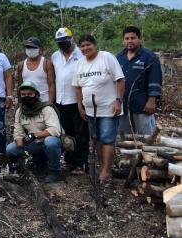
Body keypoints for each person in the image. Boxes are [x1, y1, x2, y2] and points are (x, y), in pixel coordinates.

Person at [72, 34, 125, 183]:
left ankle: (106, 172)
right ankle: (103, 167)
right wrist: (79, 105)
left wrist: (118, 101)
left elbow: (120, 80)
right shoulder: (80, 64)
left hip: (109, 108)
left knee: (107, 138)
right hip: (90, 110)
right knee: (96, 139)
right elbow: (77, 87)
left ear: (95, 45)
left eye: (88, 45)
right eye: (82, 46)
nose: (85, 48)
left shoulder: (106, 57)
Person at [6, 81, 63, 183]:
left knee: (51, 142)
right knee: (11, 149)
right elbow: (18, 131)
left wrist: (35, 135)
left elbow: (55, 129)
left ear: (36, 95)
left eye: (29, 94)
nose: (26, 97)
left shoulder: (46, 108)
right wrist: (21, 148)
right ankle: (37, 162)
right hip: (33, 144)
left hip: (49, 142)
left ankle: (54, 172)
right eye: (23, 94)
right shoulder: (20, 111)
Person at [51, 27, 88, 173]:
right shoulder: (55, 56)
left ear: (71, 39)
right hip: (61, 100)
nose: (62, 44)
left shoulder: (82, 54)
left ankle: (81, 162)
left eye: (64, 40)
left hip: (78, 100)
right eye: (59, 42)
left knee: (81, 133)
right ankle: (69, 160)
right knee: (67, 132)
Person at [116, 26, 162, 136]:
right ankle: (129, 154)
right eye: (127, 38)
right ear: (123, 40)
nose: (129, 41)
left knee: (146, 137)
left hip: (143, 105)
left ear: (139, 39)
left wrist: (152, 100)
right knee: (124, 138)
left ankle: (148, 154)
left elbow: (155, 80)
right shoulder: (119, 57)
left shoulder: (149, 57)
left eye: (133, 38)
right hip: (124, 104)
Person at [16, 37, 55, 103]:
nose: (30, 50)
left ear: (39, 49)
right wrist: (20, 103)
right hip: (27, 102)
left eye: (33, 48)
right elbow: (20, 86)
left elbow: (51, 85)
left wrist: (50, 103)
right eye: (28, 48)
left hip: (44, 102)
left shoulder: (46, 63)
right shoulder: (21, 65)